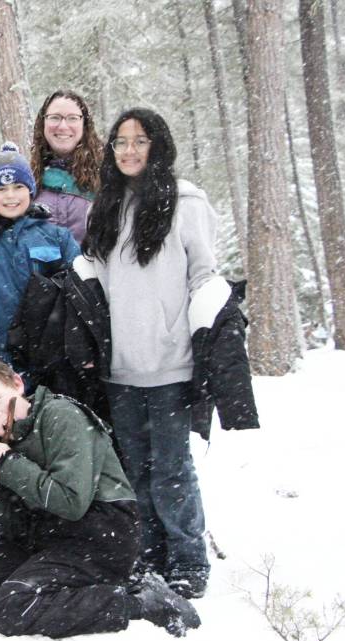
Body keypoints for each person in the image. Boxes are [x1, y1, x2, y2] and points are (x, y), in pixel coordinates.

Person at [0, 358, 201, 638]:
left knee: (12, 608)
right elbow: (8, 524)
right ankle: (82, 590)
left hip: (100, 535)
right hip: (44, 539)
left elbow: (72, 502)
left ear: (17, 383)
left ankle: (141, 604)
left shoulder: (61, 415)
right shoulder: (0, 441)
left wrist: (8, 464)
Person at [81, 108, 221, 599]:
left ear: (157, 145)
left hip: (171, 362)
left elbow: (205, 273)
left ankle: (188, 558)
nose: (129, 150)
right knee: (133, 468)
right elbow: (93, 275)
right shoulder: (109, 203)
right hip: (120, 366)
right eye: (120, 142)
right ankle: (149, 554)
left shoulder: (186, 201)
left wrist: (212, 334)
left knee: (172, 468)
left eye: (140, 141)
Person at [0, 143, 80, 373]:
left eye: (18, 186)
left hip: (58, 364)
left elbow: (82, 297)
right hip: (3, 367)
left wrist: (80, 351)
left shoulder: (58, 237)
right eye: (0, 189)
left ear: (29, 190)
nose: (10, 196)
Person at [29, 90, 104, 243]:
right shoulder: (27, 178)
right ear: (43, 123)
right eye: (55, 117)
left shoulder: (106, 175)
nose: (63, 126)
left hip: (93, 266)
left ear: (85, 124)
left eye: (72, 118)